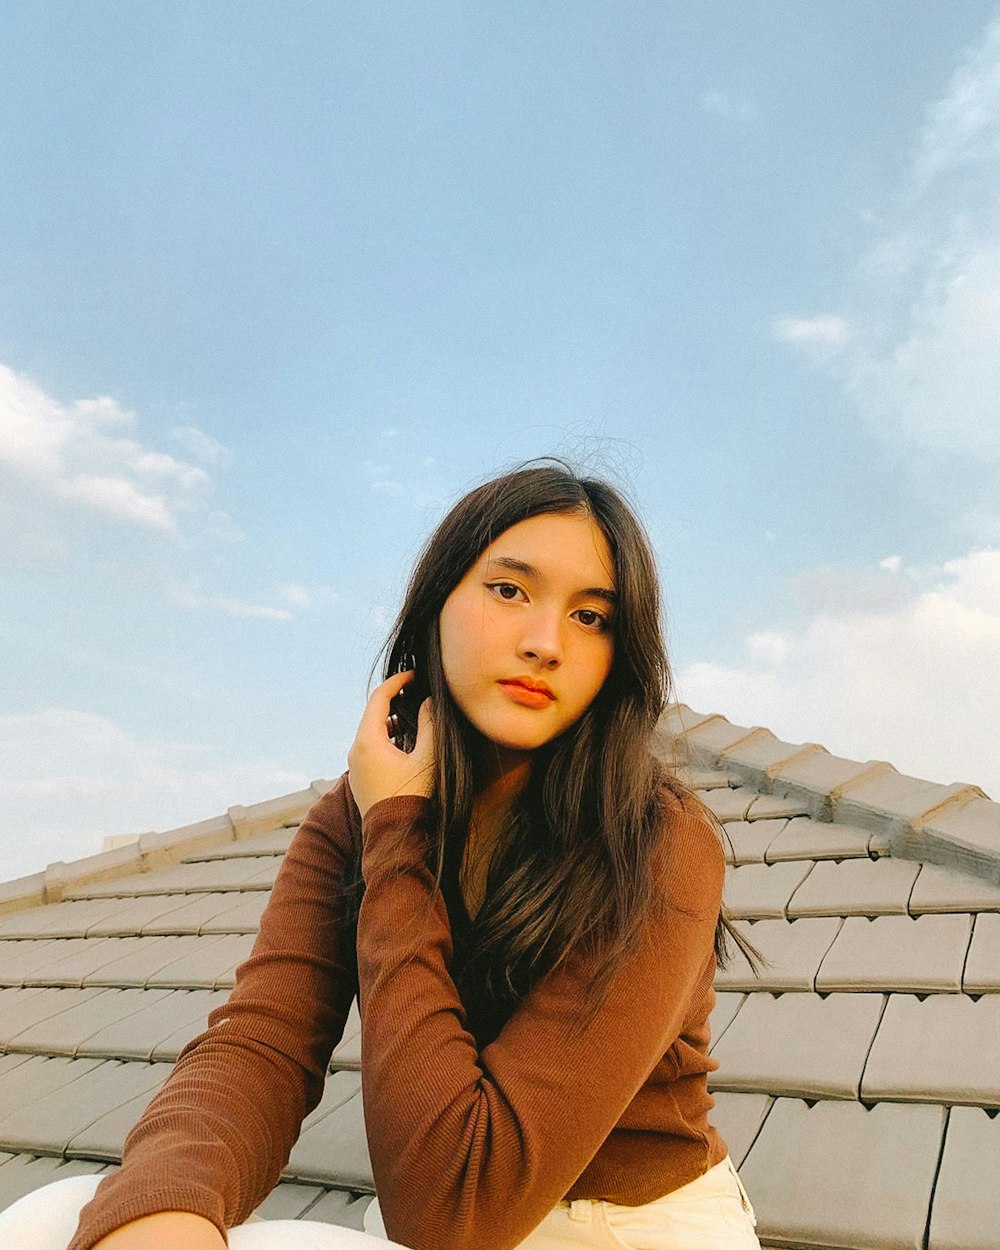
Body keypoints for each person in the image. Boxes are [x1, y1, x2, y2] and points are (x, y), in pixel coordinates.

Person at [1, 459, 761, 1250]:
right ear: (437, 604)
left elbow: (455, 1208)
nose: (545, 643)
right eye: (509, 590)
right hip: (434, 1206)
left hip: (622, 1229)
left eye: (591, 617)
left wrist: (398, 830)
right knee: (59, 1218)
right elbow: (264, 1043)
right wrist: (164, 1208)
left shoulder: (658, 843)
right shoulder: (351, 814)